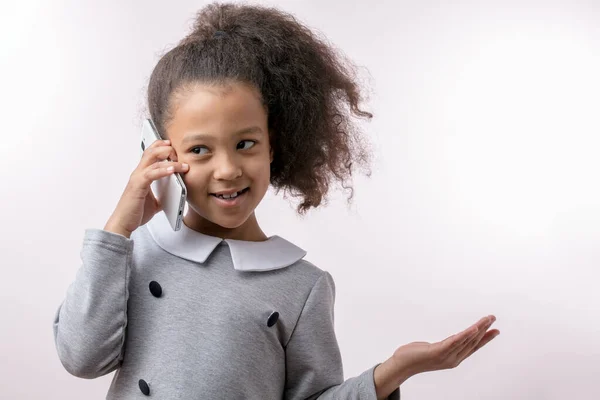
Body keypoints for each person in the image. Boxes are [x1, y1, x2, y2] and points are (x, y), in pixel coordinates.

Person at [52, 2, 500, 399]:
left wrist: (391, 373)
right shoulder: (135, 254)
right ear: (162, 153)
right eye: (200, 150)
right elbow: (81, 357)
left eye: (245, 143)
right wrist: (117, 230)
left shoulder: (302, 285)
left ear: (275, 146)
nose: (227, 169)